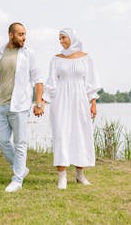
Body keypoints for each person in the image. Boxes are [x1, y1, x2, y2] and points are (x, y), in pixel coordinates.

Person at [0, 22, 45, 193]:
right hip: (1, 104)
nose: (24, 37)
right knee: (1, 140)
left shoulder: (29, 54)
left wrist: (39, 103)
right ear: (11, 35)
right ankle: (21, 168)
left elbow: (38, 79)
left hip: (20, 105)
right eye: (20, 34)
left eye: (25, 34)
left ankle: (17, 179)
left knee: (20, 143)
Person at [43, 28, 101, 189]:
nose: (60, 41)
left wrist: (93, 103)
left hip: (80, 100)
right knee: (61, 134)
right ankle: (62, 177)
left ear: (72, 38)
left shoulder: (86, 58)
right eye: (59, 38)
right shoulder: (56, 59)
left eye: (63, 37)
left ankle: (80, 174)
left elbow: (91, 83)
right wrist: (43, 102)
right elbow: (51, 83)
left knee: (80, 134)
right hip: (60, 100)